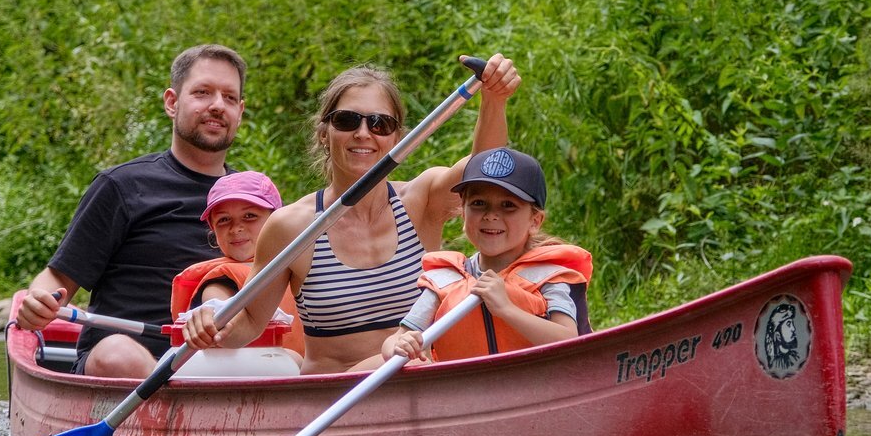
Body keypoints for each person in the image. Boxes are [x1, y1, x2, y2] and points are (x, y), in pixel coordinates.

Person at [182, 53, 521, 374]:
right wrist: (209, 325)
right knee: (400, 365)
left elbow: (487, 170)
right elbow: (251, 323)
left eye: (379, 123)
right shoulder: (292, 226)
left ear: (396, 137)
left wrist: (494, 98)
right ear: (324, 133)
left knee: (410, 365)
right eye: (346, 120)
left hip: (419, 385)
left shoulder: (422, 201)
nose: (363, 133)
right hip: (335, 400)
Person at [14, 43, 248, 377]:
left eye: (228, 97)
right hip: (126, 367)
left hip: (222, 363)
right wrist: (38, 302)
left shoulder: (256, 199)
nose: (217, 105)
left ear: (240, 111)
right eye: (202, 92)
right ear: (172, 102)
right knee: (117, 354)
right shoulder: (122, 186)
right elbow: (57, 279)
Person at [379, 146, 593, 366]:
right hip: (465, 394)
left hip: (538, 391)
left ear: (535, 221)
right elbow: (397, 338)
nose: (491, 215)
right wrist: (398, 345)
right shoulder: (445, 280)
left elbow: (568, 339)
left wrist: (506, 309)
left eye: (508, 205)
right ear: (463, 214)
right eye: (479, 204)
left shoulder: (549, 277)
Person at [169, 170, 305, 359]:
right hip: (268, 370)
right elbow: (215, 303)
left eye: (249, 216)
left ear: (275, 220)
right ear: (213, 230)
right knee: (292, 358)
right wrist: (211, 316)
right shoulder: (221, 278)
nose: (236, 228)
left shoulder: (302, 262)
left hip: (320, 367)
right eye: (224, 220)